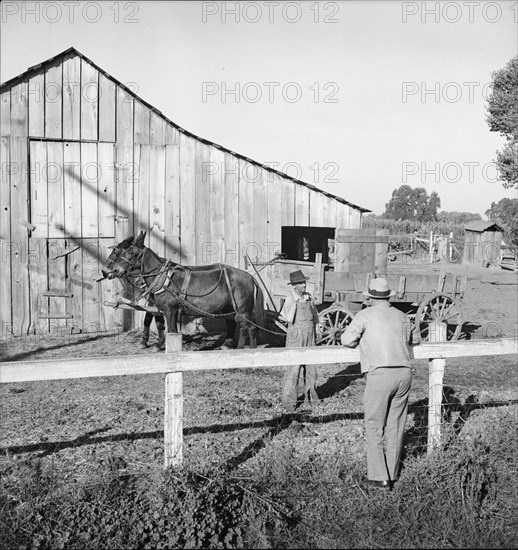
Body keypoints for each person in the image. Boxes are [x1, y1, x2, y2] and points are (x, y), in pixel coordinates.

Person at [340, 277, 417, 490]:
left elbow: (346, 340)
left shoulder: (364, 315)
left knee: (374, 424)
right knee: (396, 424)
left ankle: (378, 476)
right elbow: (415, 340)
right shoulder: (402, 316)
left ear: (370, 297)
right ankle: (392, 474)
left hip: (380, 374)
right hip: (404, 373)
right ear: (388, 296)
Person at [279, 270, 321, 412]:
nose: (304, 285)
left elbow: (314, 316)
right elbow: (288, 319)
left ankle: (311, 398)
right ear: (294, 286)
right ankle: (289, 402)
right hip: (296, 335)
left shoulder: (309, 298)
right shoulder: (290, 299)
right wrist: (296, 304)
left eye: (304, 282)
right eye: (301, 283)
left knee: (311, 368)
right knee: (294, 368)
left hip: (310, 335)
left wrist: (317, 328)